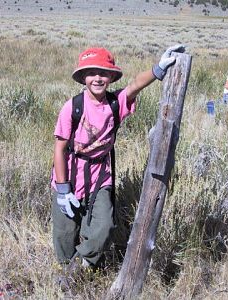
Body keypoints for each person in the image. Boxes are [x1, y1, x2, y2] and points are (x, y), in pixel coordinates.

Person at [50, 44, 185, 289]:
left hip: (101, 174)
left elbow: (134, 85)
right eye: (91, 73)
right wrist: (62, 190)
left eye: (103, 73)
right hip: (70, 174)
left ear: (111, 76)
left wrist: (158, 69)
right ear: (83, 77)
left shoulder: (115, 103)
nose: (98, 78)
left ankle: (78, 270)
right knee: (64, 232)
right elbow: (59, 148)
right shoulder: (72, 107)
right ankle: (65, 269)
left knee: (104, 226)